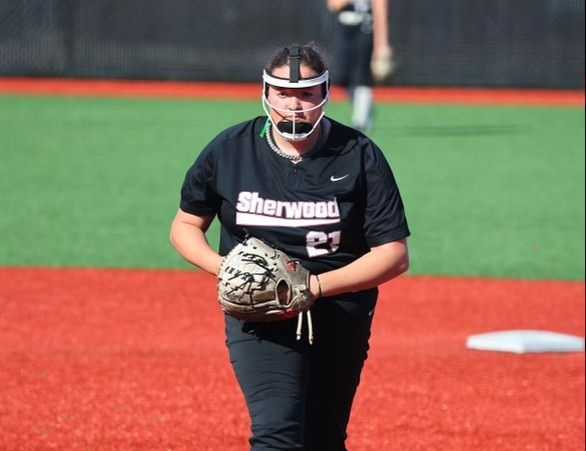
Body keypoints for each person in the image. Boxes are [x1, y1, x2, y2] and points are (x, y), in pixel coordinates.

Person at [170, 43, 409, 451]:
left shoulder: (359, 155)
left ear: (326, 94)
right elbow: (186, 225)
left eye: (306, 94)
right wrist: (225, 268)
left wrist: (313, 287)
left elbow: (393, 255)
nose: (293, 106)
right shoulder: (230, 150)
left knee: (323, 439)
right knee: (276, 436)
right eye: (282, 93)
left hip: (339, 312)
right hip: (258, 312)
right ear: (265, 93)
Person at [327, 0, 394, 132]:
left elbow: (380, 12)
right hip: (345, 31)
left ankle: (361, 120)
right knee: (342, 76)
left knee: (362, 75)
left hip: (366, 30)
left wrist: (382, 44)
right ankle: (365, 108)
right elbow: (333, 5)